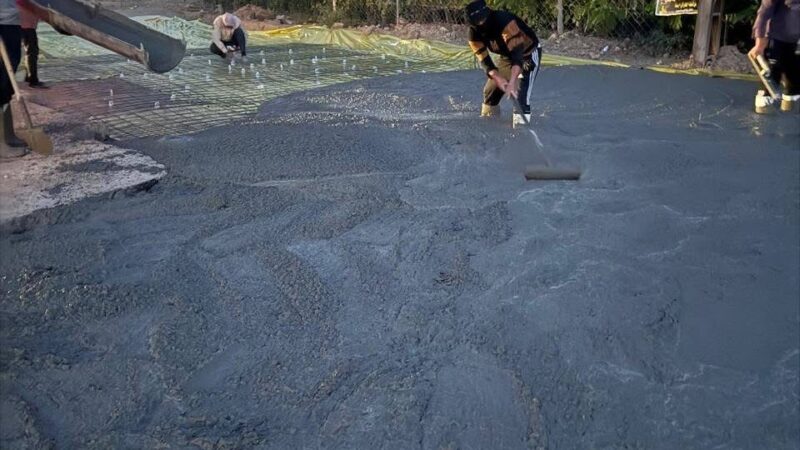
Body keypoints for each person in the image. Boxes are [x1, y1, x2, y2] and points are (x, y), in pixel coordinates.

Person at [465, 0, 542, 128]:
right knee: (490, 91)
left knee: (519, 94)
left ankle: (521, 130)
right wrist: (498, 78)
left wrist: (512, 82)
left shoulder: (504, 21)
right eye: (477, 23)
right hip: (506, 57)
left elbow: (517, 55)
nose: (481, 24)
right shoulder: (473, 34)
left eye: (483, 20)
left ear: (488, 14)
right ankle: (490, 127)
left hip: (527, 55)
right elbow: (485, 62)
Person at [749, 0, 799, 114]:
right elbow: (764, 12)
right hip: (776, 38)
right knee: (772, 76)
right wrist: (760, 43)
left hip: (794, 41)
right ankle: (763, 112)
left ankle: (789, 108)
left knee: (794, 81)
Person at [0, 0, 27, 158]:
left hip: (10, 23)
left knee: (6, 85)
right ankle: (1, 143)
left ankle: (8, 135)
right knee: (1, 82)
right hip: (2, 25)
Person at [19, 1, 45, 88]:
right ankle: (32, 80)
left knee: (31, 53)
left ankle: (30, 78)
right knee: (32, 53)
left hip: (25, 26)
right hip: (24, 26)